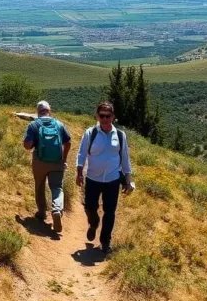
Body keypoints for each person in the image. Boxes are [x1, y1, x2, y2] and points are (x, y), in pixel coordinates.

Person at [76, 101, 135, 254]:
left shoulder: (120, 136)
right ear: (97, 116)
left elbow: (125, 159)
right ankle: (93, 223)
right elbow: (82, 154)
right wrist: (79, 172)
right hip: (93, 179)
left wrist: (128, 180)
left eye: (108, 116)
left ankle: (105, 241)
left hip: (112, 180)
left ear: (113, 117)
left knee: (110, 212)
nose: (104, 119)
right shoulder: (90, 133)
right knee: (90, 207)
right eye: (101, 115)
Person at [21, 101, 72, 232]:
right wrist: (64, 159)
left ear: (38, 111)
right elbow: (68, 142)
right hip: (57, 161)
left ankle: (42, 212)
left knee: (39, 185)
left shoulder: (34, 125)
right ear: (50, 110)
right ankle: (56, 210)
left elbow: (27, 146)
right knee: (57, 187)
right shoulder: (59, 124)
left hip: (40, 161)